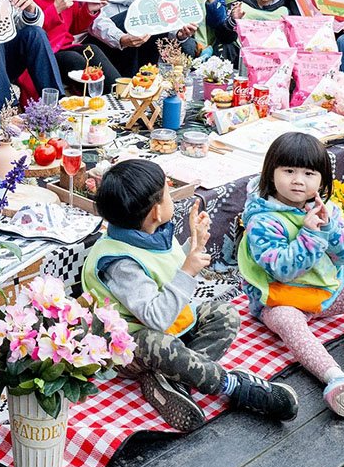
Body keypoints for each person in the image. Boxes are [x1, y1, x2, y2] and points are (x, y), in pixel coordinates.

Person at [82, 159, 298, 431]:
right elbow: (156, 318)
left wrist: (193, 245)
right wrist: (188, 270)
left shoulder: (150, 232)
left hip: (173, 327)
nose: (171, 195)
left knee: (225, 315)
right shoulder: (119, 262)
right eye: (167, 192)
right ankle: (233, 386)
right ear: (156, 211)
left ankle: (171, 381)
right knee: (154, 342)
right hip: (131, 346)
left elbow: (165, 268)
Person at [239, 132, 344, 418]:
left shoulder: (326, 209)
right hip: (283, 298)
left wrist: (330, 230)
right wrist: (310, 234)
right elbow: (283, 269)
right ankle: (335, 377)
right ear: (271, 173)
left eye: (309, 173)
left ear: (322, 180)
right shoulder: (262, 220)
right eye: (288, 171)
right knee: (286, 320)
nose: (298, 180)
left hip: (328, 293)